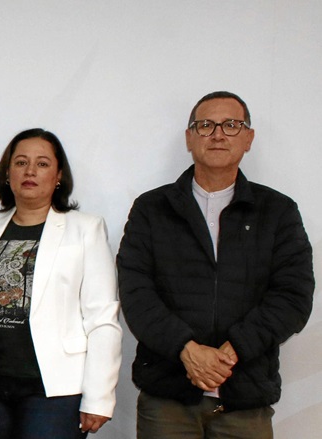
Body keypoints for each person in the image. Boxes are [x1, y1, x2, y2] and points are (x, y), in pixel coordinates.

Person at [117, 91, 314, 438]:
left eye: (232, 125)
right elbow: (136, 293)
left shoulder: (278, 212)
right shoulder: (152, 209)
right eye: (205, 125)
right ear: (190, 138)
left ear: (249, 138)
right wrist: (187, 350)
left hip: (246, 397)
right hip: (168, 398)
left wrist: (232, 352)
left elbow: (293, 296)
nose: (218, 134)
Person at [0, 128, 122, 438]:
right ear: (7, 174)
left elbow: (102, 317)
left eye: (43, 163)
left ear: (59, 175)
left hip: (53, 390)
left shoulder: (85, 230)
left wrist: (99, 396)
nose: (31, 171)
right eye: (21, 162)